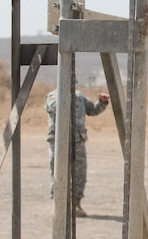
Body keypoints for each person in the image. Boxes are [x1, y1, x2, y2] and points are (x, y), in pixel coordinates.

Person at [45, 85, 110, 216]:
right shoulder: (53, 96)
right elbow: (54, 107)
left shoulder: (80, 96)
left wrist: (102, 102)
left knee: (79, 173)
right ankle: (57, 206)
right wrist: (66, 97)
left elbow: (92, 110)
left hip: (77, 141)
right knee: (57, 172)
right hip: (59, 141)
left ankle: (76, 205)